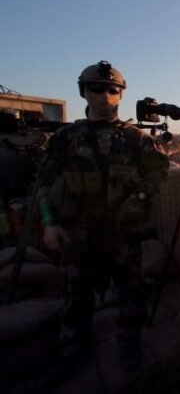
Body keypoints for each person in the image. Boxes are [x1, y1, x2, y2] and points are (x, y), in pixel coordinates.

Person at [36, 60, 169, 372]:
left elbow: (158, 175)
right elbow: (43, 184)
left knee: (131, 295)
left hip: (123, 231)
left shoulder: (137, 139)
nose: (105, 95)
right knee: (76, 296)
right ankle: (74, 351)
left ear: (121, 94)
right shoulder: (66, 138)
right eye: (97, 88)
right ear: (84, 92)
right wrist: (50, 223)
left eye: (113, 89)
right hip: (78, 232)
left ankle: (129, 348)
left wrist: (138, 198)